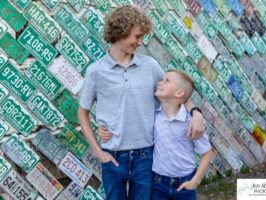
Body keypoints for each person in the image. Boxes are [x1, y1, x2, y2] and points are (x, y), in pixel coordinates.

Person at [78, 5, 204, 200]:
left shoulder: (149, 66)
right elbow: (82, 113)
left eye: (141, 37)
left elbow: (178, 93)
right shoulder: (96, 71)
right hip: (112, 155)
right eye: (136, 36)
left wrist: (196, 113)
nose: (139, 42)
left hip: (145, 156)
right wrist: (98, 151)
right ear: (120, 32)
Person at [152, 70, 213, 200]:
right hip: (157, 183)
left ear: (179, 92)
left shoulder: (190, 122)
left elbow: (207, 153)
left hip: (185, 183)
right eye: (162, 79)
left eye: (166, 80)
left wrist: (195, 181)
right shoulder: (153, 115)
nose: (160, 83)